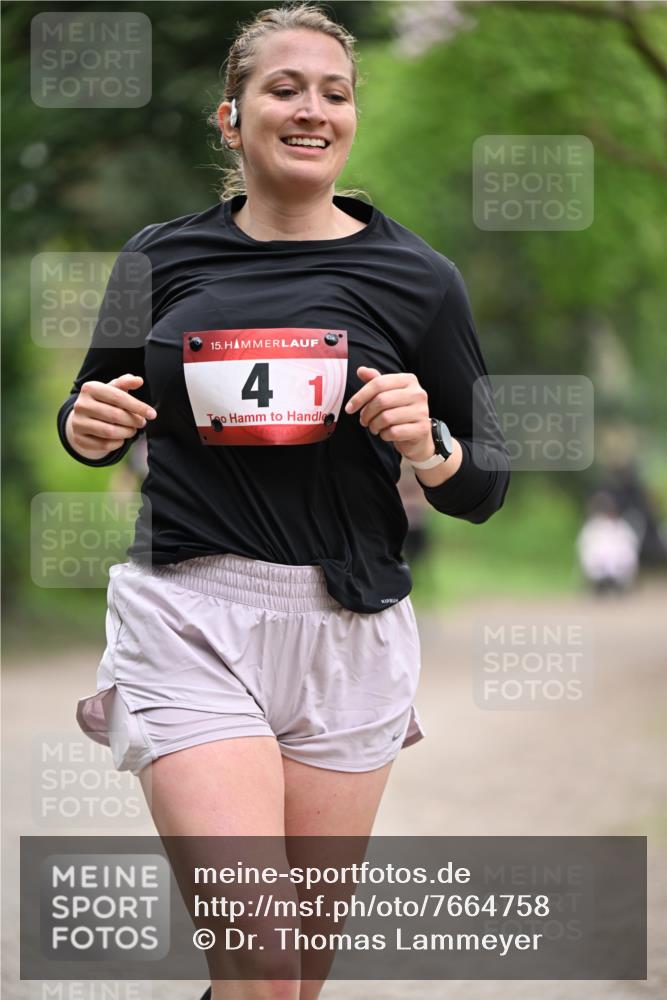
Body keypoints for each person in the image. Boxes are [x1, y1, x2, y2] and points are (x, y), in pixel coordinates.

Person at [56, 5, 510, 998]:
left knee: (294, 973)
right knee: (258, 947)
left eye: (334, 93)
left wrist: (425, 439)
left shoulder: (418, 279)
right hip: (188, 614)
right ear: (232, 116)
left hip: (346, 627)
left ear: (351, 119)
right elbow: (94, 407)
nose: (313, 109)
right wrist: (84, 427)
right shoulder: (156, 258)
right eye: (284, 88)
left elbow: (485, 482)